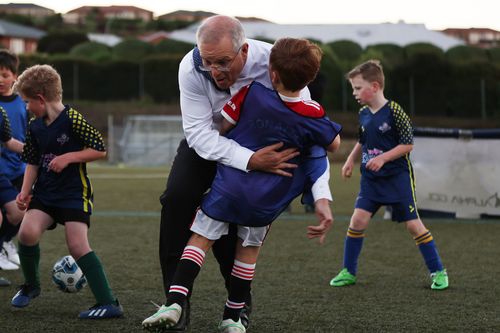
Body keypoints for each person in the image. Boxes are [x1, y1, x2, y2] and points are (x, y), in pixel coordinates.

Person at [143, 37, 341, 333]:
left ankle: (175, 301)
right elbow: (330, 145)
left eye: (222, 62)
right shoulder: (313, 114)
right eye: (207, 62)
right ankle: (232, 317)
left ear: (262, 66)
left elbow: (224, 125)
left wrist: (249, 131)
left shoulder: (250, 92)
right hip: (266, 195)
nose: (213, 69)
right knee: (238, 244)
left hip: (230, 186)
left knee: (200, 238)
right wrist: (321, 198)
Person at [10, 64, 124, 318]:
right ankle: (30, 286)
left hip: (74, 193)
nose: (27, 107)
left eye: (28, 101)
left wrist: (69, 157)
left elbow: (99, 149)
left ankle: (108, 303)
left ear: (40, 98)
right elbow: (32, 160)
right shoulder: (35, 125)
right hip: (45, 193)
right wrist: (25, 192)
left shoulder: (73, 119)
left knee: (76, 244)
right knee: (27, 232)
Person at [329, 60, 449, 290]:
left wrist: (383, 158)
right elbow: (363, 140)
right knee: (358, 221)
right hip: (371, 181)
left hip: (397, 178)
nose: (354, 92)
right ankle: (348, 271)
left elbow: (408, 145)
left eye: (357, 87)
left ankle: (438, 272)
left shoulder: (395, 111)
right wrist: (350, 159)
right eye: (353, 88)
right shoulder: (363, 112)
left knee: (414, 226)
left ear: (374, 86)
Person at [0, 49, 29, 272]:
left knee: (21, 210)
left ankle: (6, 243)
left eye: (5, 74)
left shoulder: (23, 103)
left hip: (19, 166)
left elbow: (14, 140)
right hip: (1, 169)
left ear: (15, 76)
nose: (0, 80)